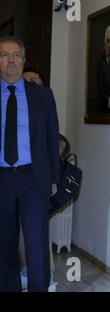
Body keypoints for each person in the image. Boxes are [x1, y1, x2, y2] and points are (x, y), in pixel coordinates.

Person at [0, 36, 60, 292]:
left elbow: (51, 139)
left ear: (24, 60)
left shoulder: (42, 96)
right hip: (1, 179)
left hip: (33, 179)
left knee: (37, 243)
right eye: (4, 55)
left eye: (16, 55)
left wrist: (54, 179)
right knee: (4, 244)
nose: (11, 60)